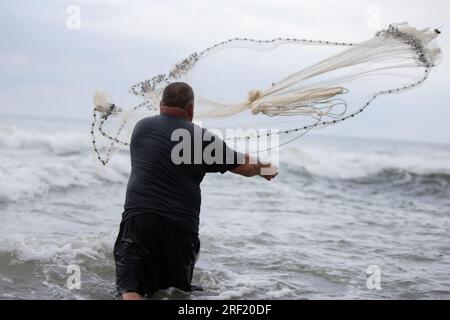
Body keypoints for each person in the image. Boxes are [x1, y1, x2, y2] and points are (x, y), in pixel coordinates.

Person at [113, 82, 278, 300]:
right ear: (191, 109)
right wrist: (266, 168)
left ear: (161, 105)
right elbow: (244, 167)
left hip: (140, 221)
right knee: (173, 294)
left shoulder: (141, 128)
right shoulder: (202, 138)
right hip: (179, 231)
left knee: (131, 288)